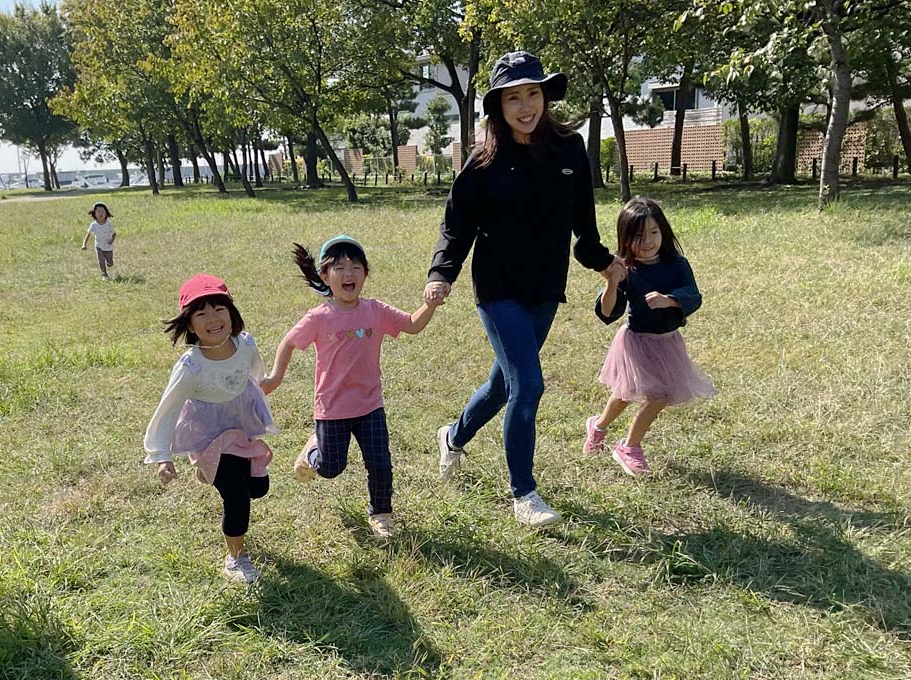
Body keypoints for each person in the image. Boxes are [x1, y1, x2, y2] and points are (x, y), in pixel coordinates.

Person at [425, 51, 624, 527]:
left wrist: (606, 265)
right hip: (497, 289)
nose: (525, 105)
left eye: (532, 93)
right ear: (498, 106)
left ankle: (451, 437)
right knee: (528, 385)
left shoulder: (570, 149)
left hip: (545, 288)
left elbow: (585, 229)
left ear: (545, 96)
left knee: (502, 384)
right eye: (513, 97)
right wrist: (441, 274)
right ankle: (525, 495)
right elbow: (457, 228)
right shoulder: (482, 161)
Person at [262, 235, 442, 538]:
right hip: (332, 408)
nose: (349, 273)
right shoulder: (319, 317)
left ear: (365, 274)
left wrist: (429, 304)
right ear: (325, 276)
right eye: (340, 267)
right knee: (332, 468)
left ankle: (381, 513)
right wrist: (275, 376)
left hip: (370, 404)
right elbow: (289, 342)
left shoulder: (375, 310)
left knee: (380, 463)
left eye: (356, 267)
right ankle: (313, 449)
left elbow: (411, 324)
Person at [144, 275, 275, 584]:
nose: (212, 318)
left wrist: (259, 390)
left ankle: (211, 473)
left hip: (240, 426)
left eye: (219, 308)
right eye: (201, 313)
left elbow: (254, 371)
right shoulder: (192, 366)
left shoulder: (245, 344)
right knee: (237, 496)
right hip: (207, 436)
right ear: (189, 324)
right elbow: (169, 407)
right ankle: (236, 559)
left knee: (258, 488)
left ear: (231, 313)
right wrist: (163, 456)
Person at [583, 197, 716, 475]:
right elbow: (608, 312)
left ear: (663, 232)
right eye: (639, 236)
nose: (648, 242)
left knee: (625, 395)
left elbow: (694, 295)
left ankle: (597, 426)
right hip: (636, 343)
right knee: (658, 395)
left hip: (667, 342)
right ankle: (629, 447)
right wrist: (612, 282)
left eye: (654, 233)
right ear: (625, 238)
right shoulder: (625, 270)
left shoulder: (677, 264)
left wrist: (670, 300)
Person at [81, 202, 116, 280]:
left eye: (103, 212)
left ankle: (109, 262)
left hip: (108, 246)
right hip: (98, 245)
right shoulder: (94, 225)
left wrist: (111, 241)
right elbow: (88, 234)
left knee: (110, 263)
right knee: (101, 260)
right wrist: (84, 244)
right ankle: (104, 274)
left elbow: (114, 234)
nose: (101, 214)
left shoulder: (108, 224)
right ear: (94, 214)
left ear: (106, 213)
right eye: (98, 211)